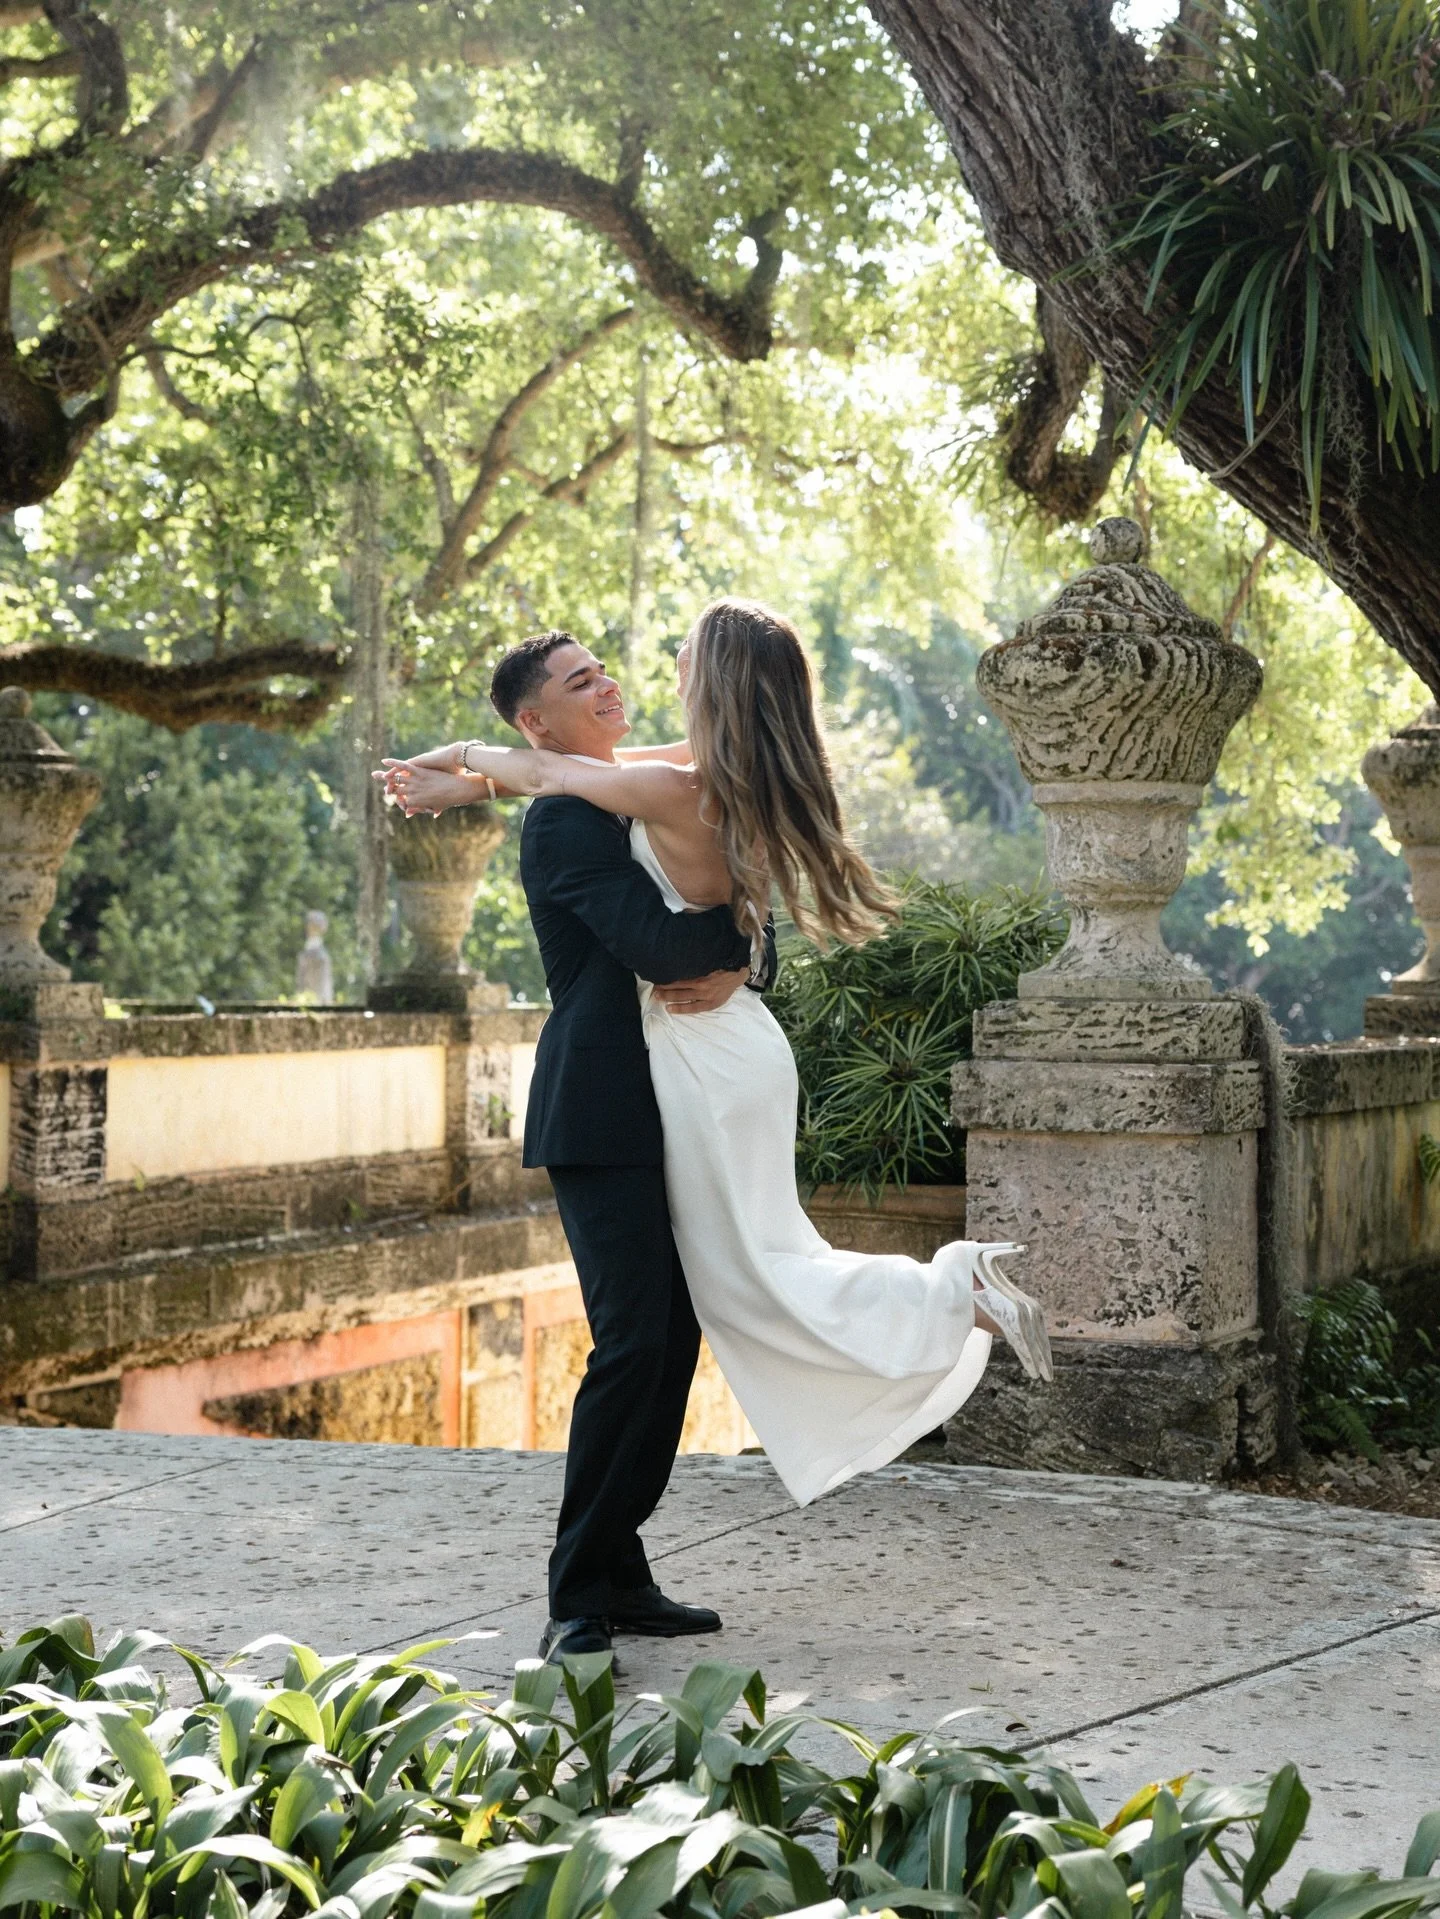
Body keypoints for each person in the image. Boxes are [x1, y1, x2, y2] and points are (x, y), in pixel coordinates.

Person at [377, 602, 1052, 1656]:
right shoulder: (567, 818)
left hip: (685, 1085)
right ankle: (581, 1592)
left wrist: (741, 952)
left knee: (675, 1334)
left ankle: (613, 1569)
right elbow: (659, 945)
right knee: (638, 1340)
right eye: (578, 681)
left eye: (603, 668)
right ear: (537, 723)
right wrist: (731, 949)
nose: (608, 683)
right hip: (604, 1105)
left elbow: (737, 921)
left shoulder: (647, 782)